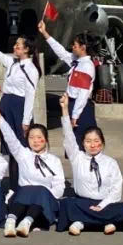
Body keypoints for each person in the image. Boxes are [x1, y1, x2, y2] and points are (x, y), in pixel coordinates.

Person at [56, 94, 123, 235]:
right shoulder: (77, 157)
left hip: (105, 203)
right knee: (66, 204)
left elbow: (116, 188)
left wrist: (102, 205)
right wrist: (65, 109)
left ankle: (83, 222)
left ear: (102, 143)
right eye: (88, 141)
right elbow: (68, 136)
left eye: (96, 141)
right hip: (82, 202)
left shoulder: (110, 162)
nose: (92, 145)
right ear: (83, 143)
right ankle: (103, 222)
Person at [0, 102, 64, 237]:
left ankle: (27, 222)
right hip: (22, 202)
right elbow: (10, 137)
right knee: (25, 190)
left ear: (46, 139)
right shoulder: (23, 154)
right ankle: (11, 221)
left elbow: (60, 186)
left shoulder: (54, 160)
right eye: (31, 138)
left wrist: (45, 196)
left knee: (40, 191)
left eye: (39, 137)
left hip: (44, 205)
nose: (35, 141)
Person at [0, 33, 38, 187]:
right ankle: (14, 186)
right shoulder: (12, 63)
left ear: (26, 49)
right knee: (11, 149)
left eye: (18, 45)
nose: (14, 47)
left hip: (18, 109)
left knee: (21, 149)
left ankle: (23, 185)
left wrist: (26, 121)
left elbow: (30, 96)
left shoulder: (31, 69)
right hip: (6, 106)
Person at [39, 20, 97, 149]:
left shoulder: (86, 66)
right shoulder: (77, 61)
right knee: (73, 145)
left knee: (83, 146)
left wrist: (75, 116)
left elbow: (83, 94)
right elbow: (61, 52)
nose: (72, 47)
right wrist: (45, 33)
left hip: (80, 108)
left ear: (83, 47)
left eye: (75, 45)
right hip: (72, 105)